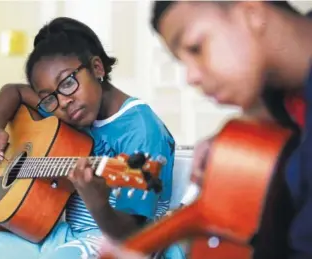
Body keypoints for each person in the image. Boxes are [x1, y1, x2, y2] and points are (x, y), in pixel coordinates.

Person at [0, 17, 185, 259]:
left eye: (67, 83)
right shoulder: (67, 109)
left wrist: (98, 203)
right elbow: (13, 92)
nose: (63, 102)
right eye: (49, 97)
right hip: (57, 234)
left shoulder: (141, 130)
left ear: (97, 68)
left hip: (110, 241)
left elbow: (134, 238)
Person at [99, 1, 311, 259]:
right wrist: (234, 144)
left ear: (252, 13)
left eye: (195, 48)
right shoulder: (281, 99)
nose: (190, 77)